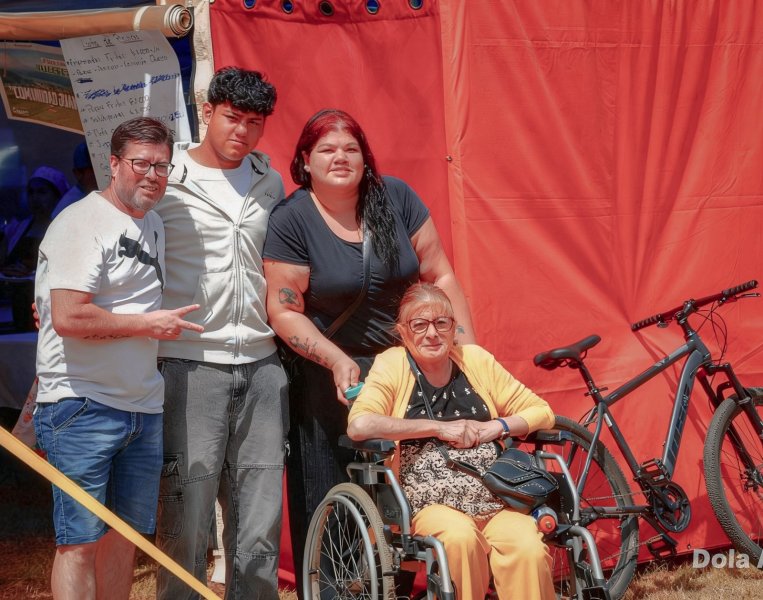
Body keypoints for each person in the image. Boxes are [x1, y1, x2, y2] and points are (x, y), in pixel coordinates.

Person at [262, 108, 476, 591]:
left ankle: (413, 583)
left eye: (350, 148)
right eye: (327, 149)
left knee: (416, 484)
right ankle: (333, 590)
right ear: (305, 160)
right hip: (330, 373)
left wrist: (467, 351)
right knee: (331, 488)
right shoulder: (293, 219)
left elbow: (440, 274)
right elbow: (284, 310)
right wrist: (336, 360)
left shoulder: (395, 198)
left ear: (365, 157)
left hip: (406, 367)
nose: (340, 157)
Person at [32, 117, 204, 600]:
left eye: (162, 166)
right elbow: (69, 316)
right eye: (141, 164)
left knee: (124, 537)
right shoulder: (81, 222)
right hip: (80, 404)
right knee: (78, 543)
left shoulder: (153, 223)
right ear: (113, 164)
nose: (152, 175)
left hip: (141, 406)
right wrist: (148, 325)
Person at [154, 66, 288, 600]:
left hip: (262, 362)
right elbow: (115, 237)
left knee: (259, 515)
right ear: (207, 112)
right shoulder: (165, 176)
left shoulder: (268, 180)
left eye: (255, 122)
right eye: (233, 118)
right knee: (187, 512)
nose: (243, 131)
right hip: (188, 361)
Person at [347, 282, 556, 600]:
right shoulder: (392, 363)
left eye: (441, 322)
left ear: (454, 327)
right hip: (431, 506)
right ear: (403, 332)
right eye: (420, 324)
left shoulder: (475, 360)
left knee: (527, 546)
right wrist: (438, 428)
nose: (432, 333)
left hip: (495, 501)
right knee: (459, 539)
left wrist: (494, 428)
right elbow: (360, 425)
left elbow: (542, 411)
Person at [1, 166, 69, 330]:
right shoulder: (19, 228)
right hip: (19, 302)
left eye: (42, 192)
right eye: (31, 192)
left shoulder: (64, 227)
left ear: (57, 195)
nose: (35, 198)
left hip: (50, 304)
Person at [52, 141, 98, 218]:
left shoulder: (96, 194)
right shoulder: (68, 205)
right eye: (94, 170)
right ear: (78, 174)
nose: (101, 174)